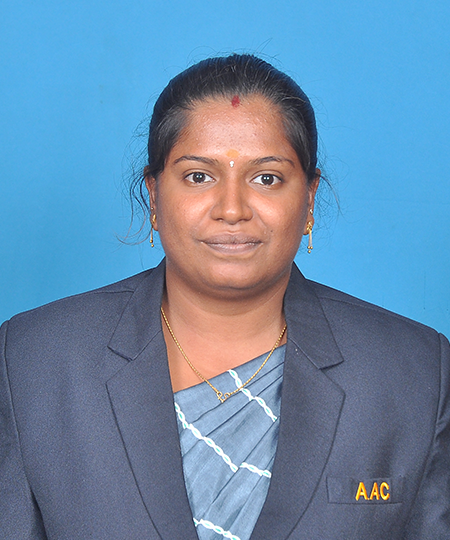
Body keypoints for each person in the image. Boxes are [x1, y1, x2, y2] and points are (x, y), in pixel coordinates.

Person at [0, 54, 449, 540]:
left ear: (309, 198)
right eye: (199, 176)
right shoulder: (35, 362)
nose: (232, 209)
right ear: (154, 196)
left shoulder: (412, 371)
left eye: (266, 178)